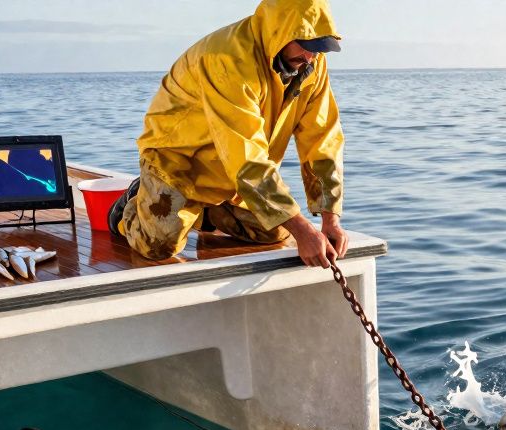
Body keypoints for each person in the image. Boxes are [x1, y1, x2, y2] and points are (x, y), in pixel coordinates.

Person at [109, 0, 347, 269]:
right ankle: (128, 207)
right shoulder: (227, 59)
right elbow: (246, 156)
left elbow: (322, 140)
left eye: (318, 49)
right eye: (305, 46)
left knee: (275, 231)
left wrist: (330, 219)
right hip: (178, 161)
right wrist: (304, 230)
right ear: (279, 32)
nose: (310, 57)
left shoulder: (311, 65)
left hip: (230, 171)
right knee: (158, 246)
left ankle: (207, 210)